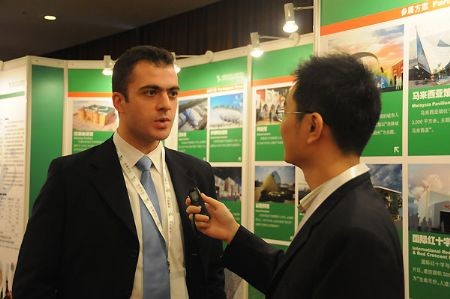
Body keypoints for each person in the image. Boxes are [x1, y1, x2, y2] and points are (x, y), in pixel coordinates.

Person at [13, 45, 226, 299]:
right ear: (119, 101)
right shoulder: (71, 177)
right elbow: (33, 282)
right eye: (151, 92)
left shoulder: (197, 173)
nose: (165, 105)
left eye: (172, 93)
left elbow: (211, 269)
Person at [187, 54, 404, 299]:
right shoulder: (346, 207)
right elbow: (297, 282)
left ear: (313, 126)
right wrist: (233, 233)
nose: (280, 126)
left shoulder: (357, 234)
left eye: (285, 113)